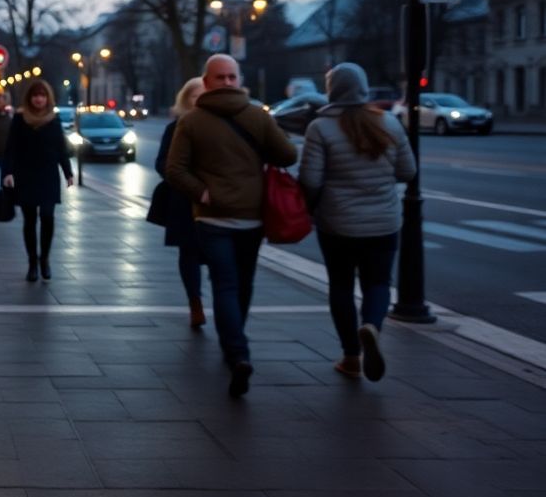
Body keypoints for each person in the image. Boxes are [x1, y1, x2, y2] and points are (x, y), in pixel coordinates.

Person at [166, 54, 296, 397]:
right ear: (215, 81)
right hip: (251, 216)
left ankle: (237, 351)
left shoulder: (192, 122)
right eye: (224, 77)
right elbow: (287, 156)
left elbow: (174, 169)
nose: (226, 82)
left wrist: (202, 193)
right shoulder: (257, 115)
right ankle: (236, 344)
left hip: (211, 218)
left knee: (224, 285)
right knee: (243, 283)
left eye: (229, 77)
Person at [299, 63, 415, 382]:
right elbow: (408, 172)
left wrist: (309, 208)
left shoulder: (320, 127)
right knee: (378, 282)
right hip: (384, 222)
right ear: (363, 88)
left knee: (341, 286)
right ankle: (372, 327)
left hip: (337, 223)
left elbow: (310, 178)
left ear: (332, 89)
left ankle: (351, 356)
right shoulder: (388, 122)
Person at [1, 79, 73, 282]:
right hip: (26, 174)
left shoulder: (54, 119)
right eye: (35, 95)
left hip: (48, 175)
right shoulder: (20, 118)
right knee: (30, 219)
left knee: (48, 217)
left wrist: (67, 172)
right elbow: (11, 148)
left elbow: (61, 147)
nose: (39, 99)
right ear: (29, 98)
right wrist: (8, 172)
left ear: (47, 97)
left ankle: (45, 259)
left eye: (42, 95)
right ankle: (32, 262)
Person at [154, 77, 207, 328]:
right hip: (184, 200)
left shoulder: (219, 125)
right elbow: (162, 162)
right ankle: (195, 301)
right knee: (189, 252)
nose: (200, 100)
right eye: (195, 96)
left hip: (214, 200)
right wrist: (181, 179)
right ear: (186, 99)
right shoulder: (175, 128)